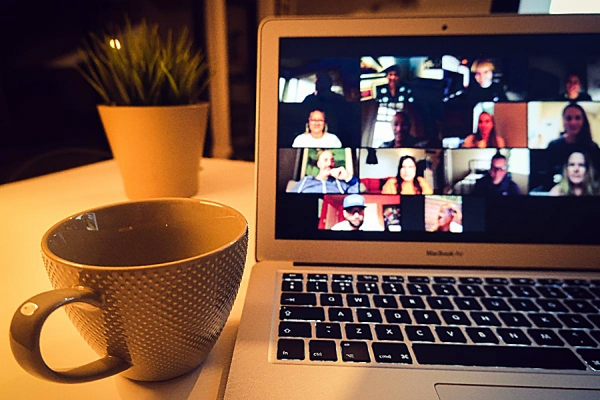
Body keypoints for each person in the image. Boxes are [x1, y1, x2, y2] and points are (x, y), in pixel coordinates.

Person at [546, 103, 600, 180]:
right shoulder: (553, 146)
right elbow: (547, 176)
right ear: (563, 121)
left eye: (577, 118)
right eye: (569, 118)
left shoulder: (593, 147)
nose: (573, 122)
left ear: (583, 121)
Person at [292, 149, 358, 194]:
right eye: (325, 160)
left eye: (332, 160)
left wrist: (348, 177)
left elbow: (356, 195)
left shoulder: (340, 184)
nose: (329, 164)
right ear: (318, 164)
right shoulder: (306, 181)